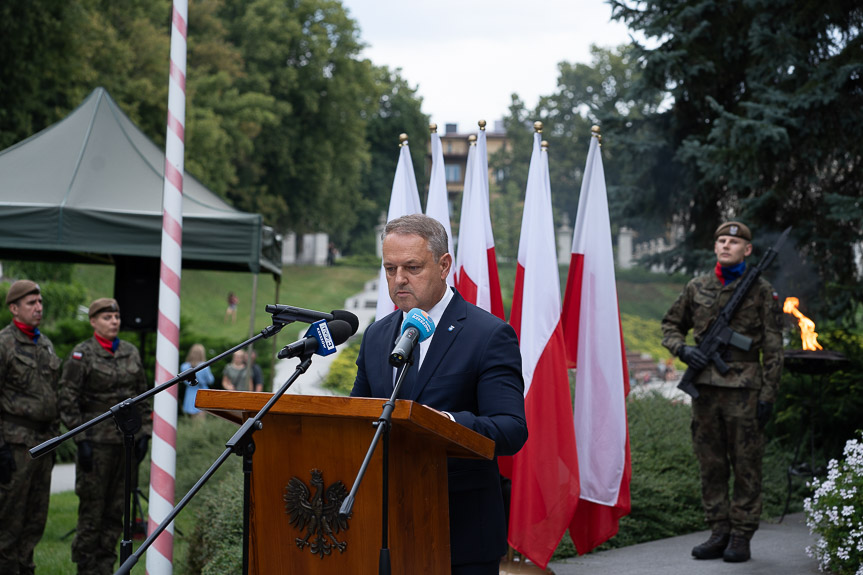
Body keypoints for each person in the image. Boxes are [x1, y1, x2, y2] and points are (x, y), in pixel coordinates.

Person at [351, 214, 528, 575]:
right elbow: (357, 421)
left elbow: (511, 429)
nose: (399, 279)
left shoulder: (488, 334)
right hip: (384, 531)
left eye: (412, 267)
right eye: (389, 268)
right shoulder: (375, 337)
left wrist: (445, 425)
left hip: (461, 535)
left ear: (444, 264)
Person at [661, 221, 784, 563]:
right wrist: (683, 350)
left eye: (734, 241)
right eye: (721, 240)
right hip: (705, 389)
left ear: (747, 250)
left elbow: (774, 348)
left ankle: (742, 535)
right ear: (715, 247)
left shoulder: (761, 290)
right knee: (710, 463)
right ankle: (719, 531)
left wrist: (768, 396)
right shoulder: (697, 286)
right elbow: (670, 325)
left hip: (744, 390)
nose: (726, 245)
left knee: (746, 464)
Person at [58, 298, 152, 575]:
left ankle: (108, 567)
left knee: (115, 513)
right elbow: (68, 399)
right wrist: (81, 440)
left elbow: (142, 397)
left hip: (125, 444)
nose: (114, 321)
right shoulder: (82, 354)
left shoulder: (131, 352)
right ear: (93, 322)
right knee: (92, 512)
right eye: (107, 317)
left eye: (116, 316)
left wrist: (144, 433)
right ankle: (86, 568)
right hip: (95, 445)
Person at [0, 280, 61, 575]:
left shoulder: (45, 343)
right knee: (9, 520)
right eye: (30, 303)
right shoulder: (4, 344)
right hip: (15, 444)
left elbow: (54, 392)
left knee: (35, 519)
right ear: (14, 308)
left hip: (43, 443)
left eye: (39, 302)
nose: (38, 308)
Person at [180, 343, 214, 417]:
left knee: (192, 420)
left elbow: (185, 382)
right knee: (201, 420)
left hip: (190, 393)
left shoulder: (184, 366)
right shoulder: (204, 366)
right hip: (202, 392)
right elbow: (211, 380)